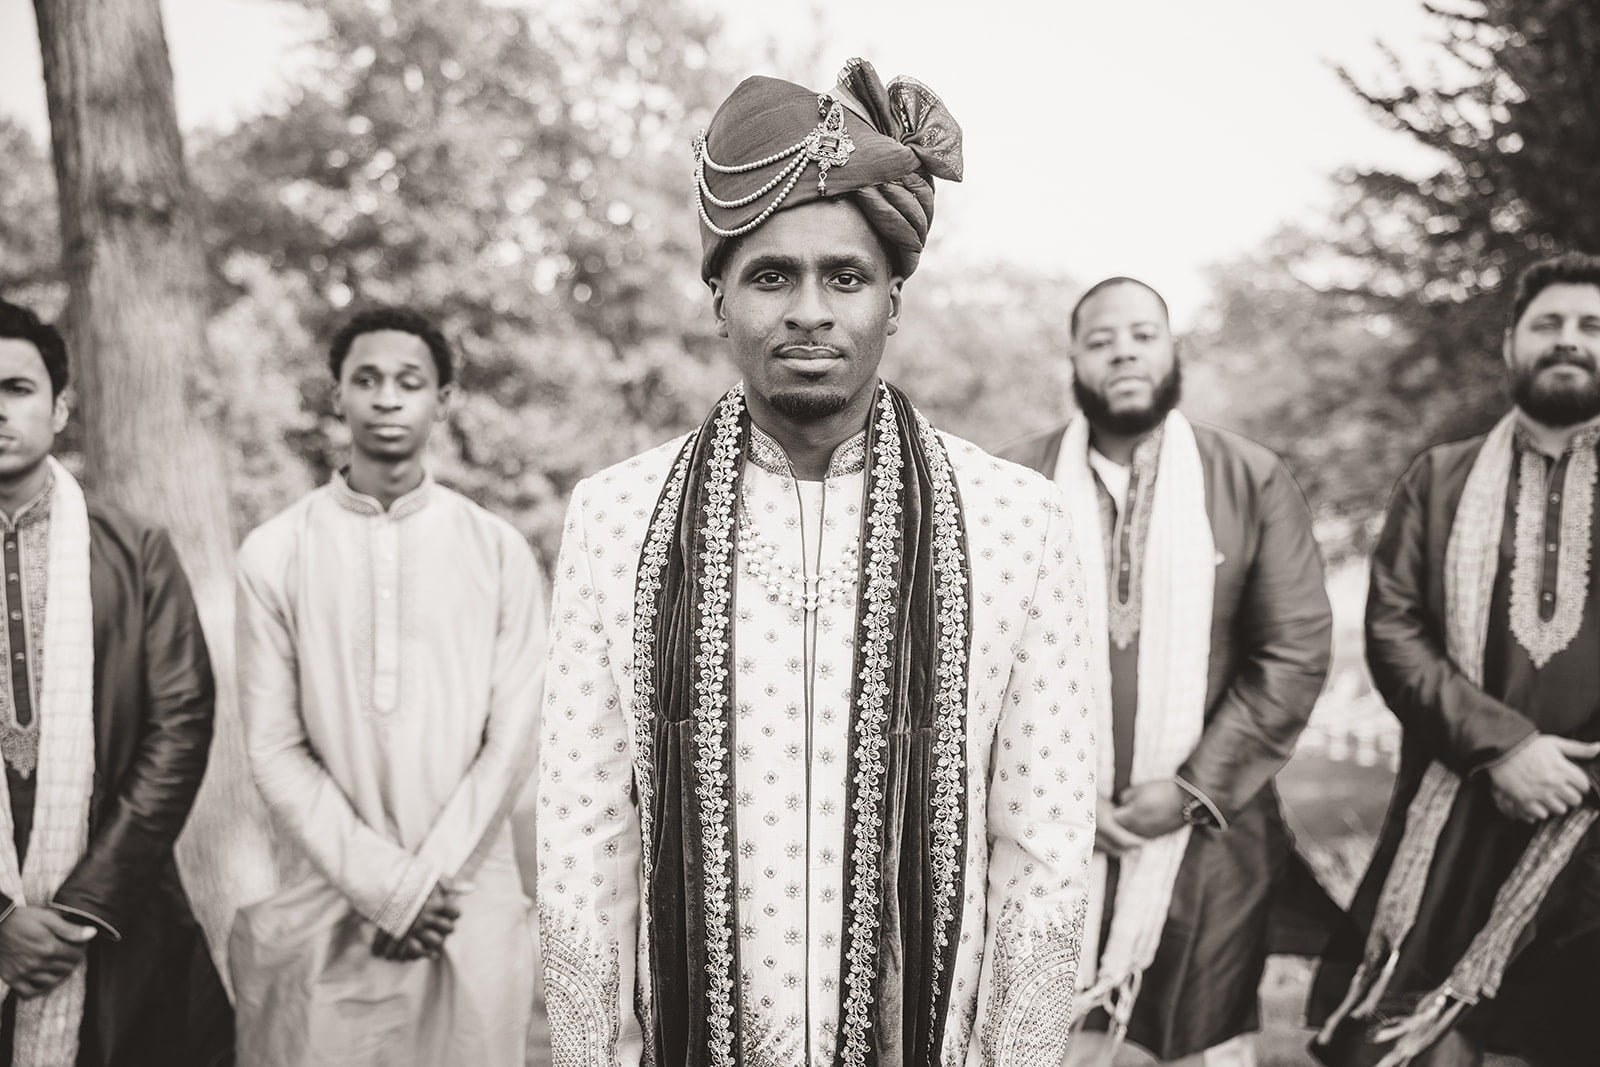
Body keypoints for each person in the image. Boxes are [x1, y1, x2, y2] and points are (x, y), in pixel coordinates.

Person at [536, 58, 1098, 1066]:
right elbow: (584, 837)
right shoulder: (614, 518)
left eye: (843, 275)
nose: (807, 309)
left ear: (894, 298)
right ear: (718, 299)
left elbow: (1043, 841)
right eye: (769, 274)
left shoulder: (1016, 518)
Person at [1000, 277, 1334, 1067]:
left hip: (1208, 835)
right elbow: (981, 662)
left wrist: (1189, 791)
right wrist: (1060, 797)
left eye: (1143, 334)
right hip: (1047, 830)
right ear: (1073, 359)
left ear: (1173, 349)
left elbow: (1292, 650)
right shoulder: (1012, 485)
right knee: (1044, 1041)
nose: (1123, 350)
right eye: (1101, 337)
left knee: (1198, 1043)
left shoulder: (1248, 477)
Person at [231, 307, 545, 1066]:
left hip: (465, 903)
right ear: (336, 396)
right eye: (365, 379)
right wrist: (385, 886)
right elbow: (274, 748)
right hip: (332, 898)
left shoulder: (498, 550)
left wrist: (421, 888)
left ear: (444, 399)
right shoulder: (274, 552)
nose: (386, 397)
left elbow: (513, 737)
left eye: (410, 381)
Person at [1309, 253, 1600, 1067]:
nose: (1568, 341)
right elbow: (1394, 632)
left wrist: (1570, 773)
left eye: (1590, 326)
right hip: (1457, 807)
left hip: (1593, 828)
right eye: (1548, 325)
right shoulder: (1439, 479)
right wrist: (1505, 747)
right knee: (1423, 1043)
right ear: (1512, 345)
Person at [0, 298, 225, 1066]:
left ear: (59, 407)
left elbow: (181, 724)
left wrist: (82, 904)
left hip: (114, 906)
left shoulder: (135, 551)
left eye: (16, 388)